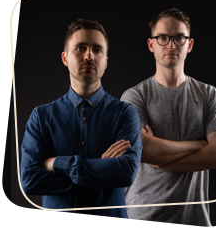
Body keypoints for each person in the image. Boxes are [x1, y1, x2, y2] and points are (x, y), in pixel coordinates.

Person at [20, 18, 143, 220]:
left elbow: (127, 172)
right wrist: (100, 172)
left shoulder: (125, 113)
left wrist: (59, 164)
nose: (89, 56)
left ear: (105, 62)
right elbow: (29, 180)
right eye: (80, 48)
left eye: (97, 50)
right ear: (65, 57)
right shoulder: (41, 117)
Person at [120, 8, 216, 227]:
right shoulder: (134, 96)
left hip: (195, 219)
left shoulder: (209, 94)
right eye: (162, 37)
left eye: (179, 37)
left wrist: (161, 161)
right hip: (143, 214)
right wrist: (200, 144)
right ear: (151, 44)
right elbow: (145, 150)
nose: (171, 45)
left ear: (189, 44)